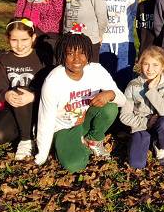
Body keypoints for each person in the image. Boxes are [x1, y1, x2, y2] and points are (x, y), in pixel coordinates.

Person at [34, 29, 126, 172]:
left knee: (109, 108)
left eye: (82, 53)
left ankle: (92, 140)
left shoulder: (96, 70)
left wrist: (110, 94)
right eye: (70, 53)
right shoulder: (53, 80)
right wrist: (42, 156)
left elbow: (122, 100)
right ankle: (76, 145)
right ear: (62, 55)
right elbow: (45, 119)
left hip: (86, 121)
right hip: (64, 128)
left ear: (89, 53)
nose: (77, 59)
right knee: (75, 166)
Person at [0, 18, 49, 160]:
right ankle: (27, 129)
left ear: (33, 38)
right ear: (7, 39)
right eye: (14, 40)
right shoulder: (2, 60)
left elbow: (53, 87)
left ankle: (26, 140)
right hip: (15, 108)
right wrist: (7, 95)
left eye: (24, 39)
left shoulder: (42, 58)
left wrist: (34, 95)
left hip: (41, 107)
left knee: (22, 90)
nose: (20, 45)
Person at [120, 46, 164, 169]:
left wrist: (151, 90)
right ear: (140, 64)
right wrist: (146, 122)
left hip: (160, 123)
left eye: (155, 65)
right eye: (146, 64)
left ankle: (161, 148)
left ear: (163, 65)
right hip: (140, 125)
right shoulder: (133, 85)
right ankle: (144, 141)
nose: (150, 69)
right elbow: (124, 116)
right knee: (136, 164)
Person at [97, 0, 138, 89]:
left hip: (124, 43)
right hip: (103, 43)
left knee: (124, 82)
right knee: (103, 84)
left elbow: (132, 14)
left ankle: (123, 111)